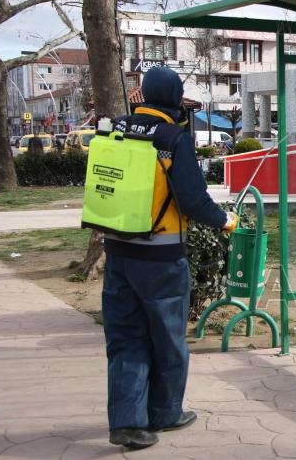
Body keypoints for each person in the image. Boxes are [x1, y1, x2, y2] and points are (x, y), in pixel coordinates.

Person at [102, 66, 238, 449]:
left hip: (118, 251)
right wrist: (224, 220)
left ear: (144, 95)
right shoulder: (173, 139)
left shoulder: (117, 129)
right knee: (166, 337)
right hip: (160, 257)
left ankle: (127, 423)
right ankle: (164, 413)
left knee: (126, 338)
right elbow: (193, 199)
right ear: (176, 98)